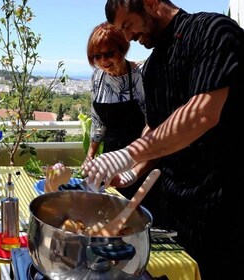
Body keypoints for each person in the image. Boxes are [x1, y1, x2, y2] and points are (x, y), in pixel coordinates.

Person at [82, 0, 244, 279]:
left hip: (222, 207)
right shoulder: (155, 64)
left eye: (128, 25)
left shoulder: (214, 31)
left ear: (151, 3)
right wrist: (134, 171)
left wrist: (126, 154)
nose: (128, 37)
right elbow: (155, 128)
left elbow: (200, 114)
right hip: (174, 206)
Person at [84, 21, 150, 200]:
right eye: (96, 56)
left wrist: (136, 167)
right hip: (110, 160)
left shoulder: (141, 74)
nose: (103, 61)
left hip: (141, 157)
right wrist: (90, 155)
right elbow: (97, 120)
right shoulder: (97, 77)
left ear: (122, 49)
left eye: (109, 53)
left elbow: (153, 124)